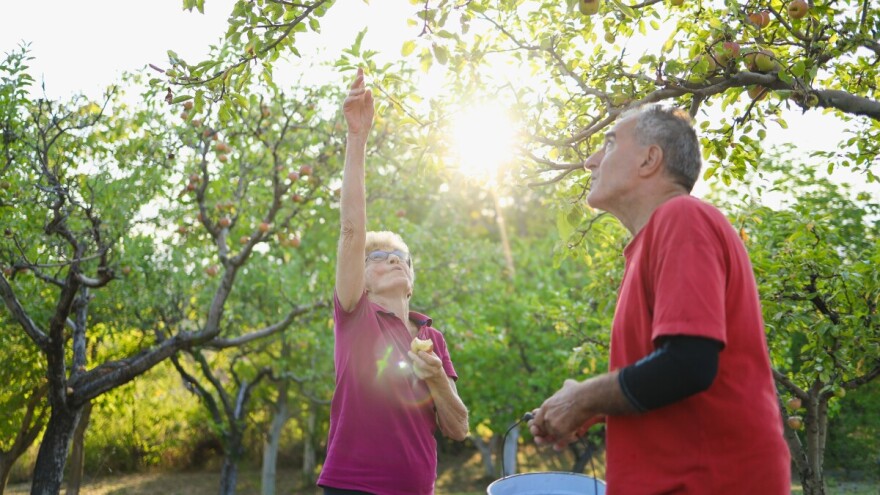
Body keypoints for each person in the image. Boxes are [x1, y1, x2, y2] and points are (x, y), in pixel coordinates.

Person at [528, 105, 790, 494]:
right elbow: (679, 376)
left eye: (609, 143)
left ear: (650, 159)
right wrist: (592, 406)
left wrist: (583, 397)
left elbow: (688, 364)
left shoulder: (681, 217)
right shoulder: (651, 243)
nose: (590, 161)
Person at [316, 68, 469, 495]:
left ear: (412, 279)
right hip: (353, 487)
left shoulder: (431, 338)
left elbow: (457, 428)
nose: (394, 261)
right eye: (379, 257)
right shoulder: (356, 315)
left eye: (402, 258)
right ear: (362, 281)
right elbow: (351, 230)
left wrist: (437, 379)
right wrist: (357, 139)